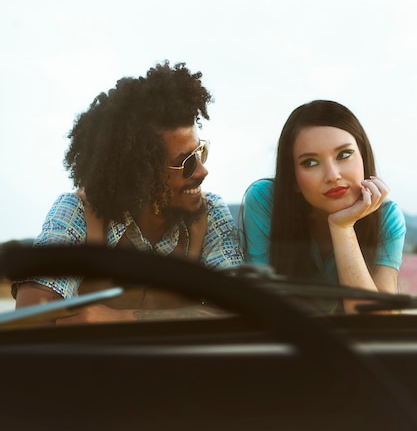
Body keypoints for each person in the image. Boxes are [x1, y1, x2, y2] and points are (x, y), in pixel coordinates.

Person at [13, 61, 244, 323]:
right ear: (140, 173)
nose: (203, 171)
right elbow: (31, 317)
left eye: (200, 151)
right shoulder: (77, 213)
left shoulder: (209, 213)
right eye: (187, 162)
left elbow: (240, 312)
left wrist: (124, 318)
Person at [241, 100, 406, 314]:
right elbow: (262, 305)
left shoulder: (387, 217)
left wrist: (342, 227)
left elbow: (378, 322)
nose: (332, 175)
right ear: (293, 178)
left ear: (363, 157)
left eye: (344, 155)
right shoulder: (265, 201)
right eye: (310, 162)